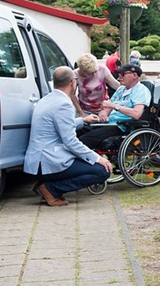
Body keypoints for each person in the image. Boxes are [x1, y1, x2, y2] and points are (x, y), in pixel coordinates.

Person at [24, 66, 113, 207]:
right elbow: (70, 141)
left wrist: (83, 120)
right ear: (73, 83)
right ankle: (51, 189)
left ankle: (48, 185)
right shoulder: (64, 104)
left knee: (87, 160)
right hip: (49, 162)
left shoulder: (46, 99)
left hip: (37, 161)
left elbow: (56, 125)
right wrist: (98, 158)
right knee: (103, 171)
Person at [78, 64, 151, 149]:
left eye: (123, 73)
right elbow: (108, 107)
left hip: (122, 126)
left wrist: (114, 106)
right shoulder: (121, 89)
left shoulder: (141, 91)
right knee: (78, 130)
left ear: (134, 75)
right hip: (108, 122)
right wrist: (103, 113)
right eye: (119, 73)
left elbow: (136, 114)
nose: (119, 76)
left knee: (85, 140)